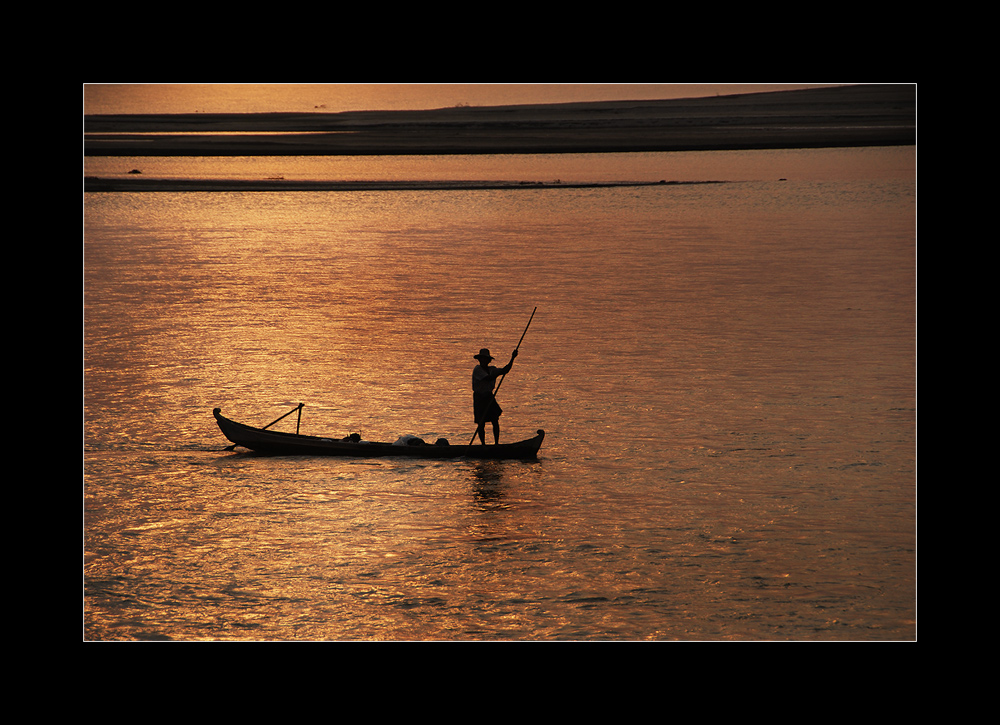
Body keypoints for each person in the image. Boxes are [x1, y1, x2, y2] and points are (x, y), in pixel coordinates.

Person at [472, 347, 518, 444]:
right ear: (479, 360)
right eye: (482, 359)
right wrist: (497, 374)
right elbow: (488, 378)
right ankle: (483, 445)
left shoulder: (492, 369)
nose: (484, 361)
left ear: (488, 360)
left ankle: (496, 444)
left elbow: (506, 370)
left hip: (489, 396)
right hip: (479, 397)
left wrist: (512, 358)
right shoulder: (477, 369)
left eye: (485, 359)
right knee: (481, 423)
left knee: (495, 420)